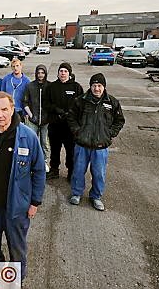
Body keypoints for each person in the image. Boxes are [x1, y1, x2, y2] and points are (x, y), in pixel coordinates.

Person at [0, 91, 46, 281]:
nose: (0, 114)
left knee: (17, 249)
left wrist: (35, 202)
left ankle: (16, 280)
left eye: (4, 109)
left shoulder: (28, 137)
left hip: (17, 208)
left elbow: (38, 171)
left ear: (12, 110)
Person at [67, 73, 125, 211]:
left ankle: (96, 196)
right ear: (90, 86)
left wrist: (109, 134)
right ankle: (76, 193)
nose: (96, 89)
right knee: (78, 171)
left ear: (104, 87)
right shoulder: (80, 101)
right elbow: (71, 117)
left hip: (101, 146)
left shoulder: (112, 102)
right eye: (94, 85)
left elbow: (119, 121)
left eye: (99, 86)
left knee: (99, 173)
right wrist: (77, 132)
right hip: (82, 144)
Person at [46, 62, 84, 181]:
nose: (63, 73)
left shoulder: (76, 87)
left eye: (65, 71)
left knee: (71, 151)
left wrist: (71, 115)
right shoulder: (52, 87)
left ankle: (71, 172)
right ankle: (54, 170)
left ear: (69, 73)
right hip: (55, 125)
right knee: (55, 150)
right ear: (58, 73)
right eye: (61, 71)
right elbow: (46, 103)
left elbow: (81, 105)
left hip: (70, 127)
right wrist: (56, 110)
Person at [23, 64, 50, 170]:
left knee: (45, 143)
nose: (40, 75)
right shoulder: (30, 86)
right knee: (32, 141)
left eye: (42, 73)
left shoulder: (49, 86)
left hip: (46, 121)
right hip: (32, 120)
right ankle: (32, 161)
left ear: (45, 74)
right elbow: (25, 102)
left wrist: (49, 116)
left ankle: (44, 161)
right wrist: (31, 115)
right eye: (38, 73)